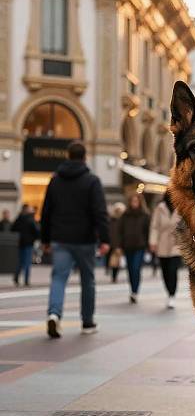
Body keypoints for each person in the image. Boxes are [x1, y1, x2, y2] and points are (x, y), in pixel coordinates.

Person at [40, 141, 110, 338]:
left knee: (59, 278)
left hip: (60, 238)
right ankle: (87, 322)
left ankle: (54, 314)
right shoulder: (92, 181)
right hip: (85, 240)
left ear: (68, 156)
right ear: (84, 157)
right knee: (88, 280)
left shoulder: (55, 180)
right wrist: (104, 239)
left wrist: (45, 239)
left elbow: (46, 212)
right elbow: (100, 212)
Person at [149, 192, 181, 309]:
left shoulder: (181, 206)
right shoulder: (160, 208)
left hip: (176, 244)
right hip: (162, 244)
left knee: (173, 270)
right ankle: (169, 291)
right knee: (165, 272)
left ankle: (172, 295)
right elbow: (154, 226)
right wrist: (153, 242)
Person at [118, 193, 150, 303]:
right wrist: (119, 246)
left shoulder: (145, 215)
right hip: (127, 246)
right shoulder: (125, 215)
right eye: (132, 201)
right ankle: (132, 290)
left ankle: (135, 292)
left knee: (136, 268)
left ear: (140, 202)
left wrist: (148, 245)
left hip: (140, 246)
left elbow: (148, 232)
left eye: (136, 201)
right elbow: (120, 231)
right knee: (130, 270)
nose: (134, 203)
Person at [11, 204, 39, 286]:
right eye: (30, 209)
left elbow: (13, 228)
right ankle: (26, 280)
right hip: (28, 243)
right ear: (27, 210)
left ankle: (16, 277)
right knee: (27, 262)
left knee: (21, 262)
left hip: (21, 242)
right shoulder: (30, 218)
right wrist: (35, 237)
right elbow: (36, 231)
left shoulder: (20, 218)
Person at [106, 202, 125, 283]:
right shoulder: (110, 220)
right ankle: (108, 269)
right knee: (109, 260)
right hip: (110, 243)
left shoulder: (124, 220)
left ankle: (114, 276)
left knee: (116, 262)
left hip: (118, 244)